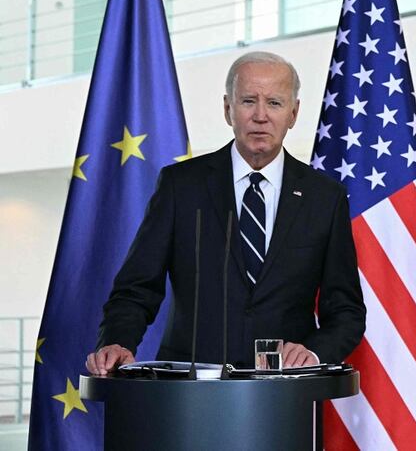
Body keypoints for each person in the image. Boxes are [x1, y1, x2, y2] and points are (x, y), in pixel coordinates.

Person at [87, 51, 365, 375]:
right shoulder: (181, 186)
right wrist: (118, 341)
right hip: (190, 393)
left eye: (274, 103)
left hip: (285, 395)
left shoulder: (324, 197)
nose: (260, 116)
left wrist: (314, 353)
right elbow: (136, 289)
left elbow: (346, 311)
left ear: (293, 113)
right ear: (227, 108)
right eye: (248, 101)